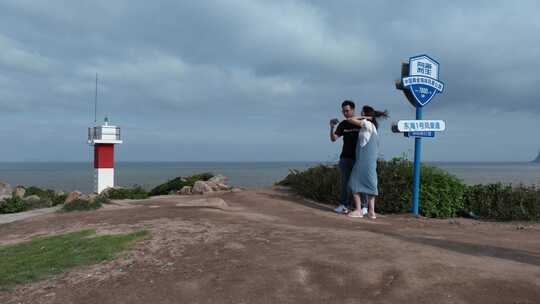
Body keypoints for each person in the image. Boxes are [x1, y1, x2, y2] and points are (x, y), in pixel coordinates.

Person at [346, 105, 388, 219]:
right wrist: (368, 117)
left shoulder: (367, 124)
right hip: (371, 162)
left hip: (363, 161)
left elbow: (349, 120)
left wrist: (364, 117)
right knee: (371, 185)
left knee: (353, 183)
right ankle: (372, 212)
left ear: (366, 114)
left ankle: (359, 210)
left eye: (362, 112)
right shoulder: (374, 128)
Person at [329, 100, 368, 215]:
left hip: (359, 157)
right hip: (345, 158)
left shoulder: (362, 122)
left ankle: (364, 207)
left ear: (353, 109)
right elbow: (333, 139)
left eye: (347, 110)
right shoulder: (343, 124)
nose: (345, 113)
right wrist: (331, 128)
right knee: (345, 183)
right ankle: (343, 205)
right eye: (343, 111)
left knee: (361, 182)